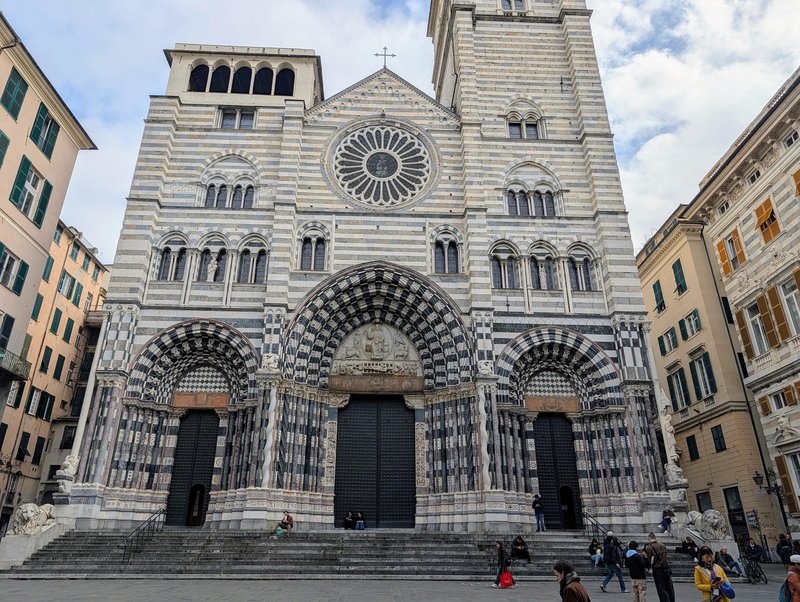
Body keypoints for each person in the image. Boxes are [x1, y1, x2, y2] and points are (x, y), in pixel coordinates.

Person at [645, 533, 675, 602]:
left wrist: (650, 568)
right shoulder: (662, 545)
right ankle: (671, 600)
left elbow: (649, 560)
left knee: (661, 588)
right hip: (665, 568)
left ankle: (665, 600)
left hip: (657, 569)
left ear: (649, 538)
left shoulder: (649, 548)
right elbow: (665, 557)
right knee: (668, 586)